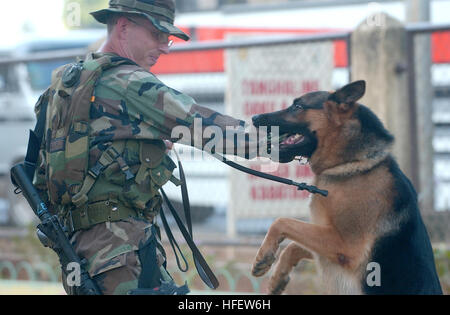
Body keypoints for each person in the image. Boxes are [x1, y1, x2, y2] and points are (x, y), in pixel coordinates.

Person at [33, 0, 261, 295]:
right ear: (124, 27)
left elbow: (40, 169)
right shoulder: (128, 82)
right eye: (157, 35)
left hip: (79, 251)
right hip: (122, 250)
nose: (165, 47)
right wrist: (287, 141)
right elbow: (206, 127)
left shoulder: (65, 84)